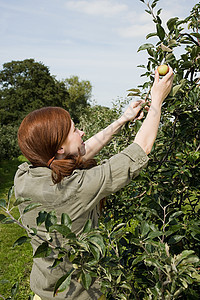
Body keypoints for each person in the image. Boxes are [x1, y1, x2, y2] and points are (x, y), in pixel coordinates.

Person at [14, 67, 174, 300]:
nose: (81, 131)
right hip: (78, 295)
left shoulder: (23, 176)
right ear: (59, 148)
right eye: (74, 129)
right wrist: (158, 99)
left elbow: (77, 155)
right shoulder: (75, 188)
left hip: (43, 293)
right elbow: (139, 150)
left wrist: (123, 119)